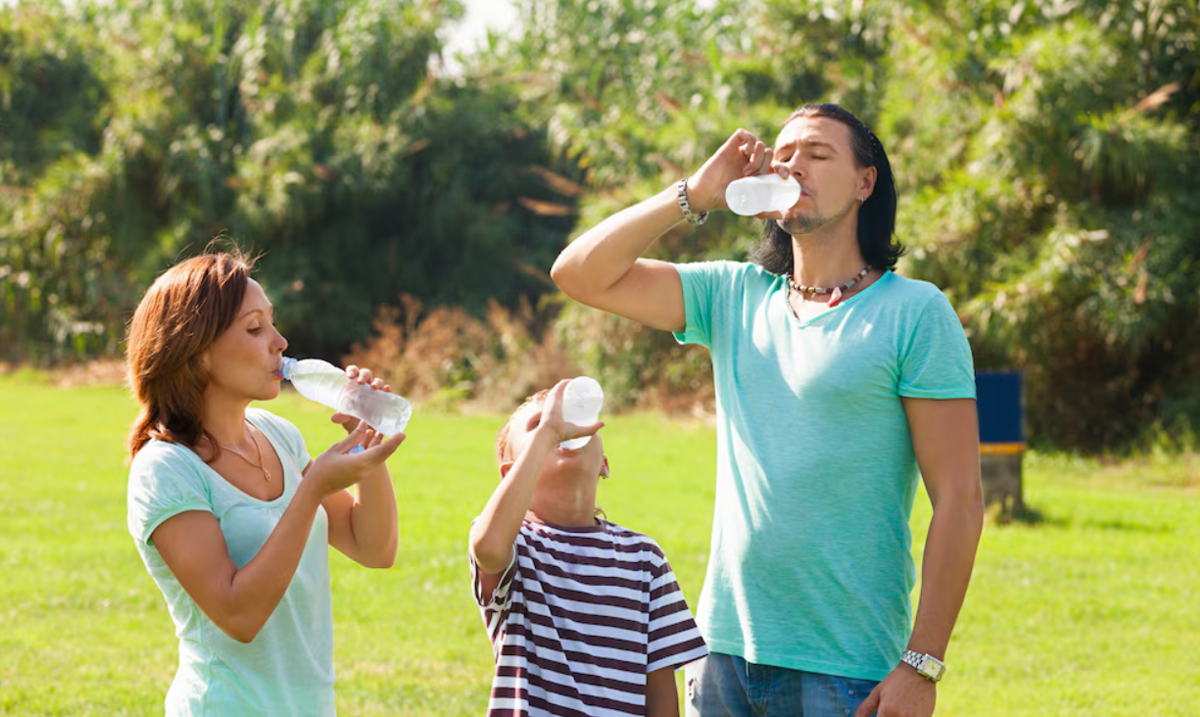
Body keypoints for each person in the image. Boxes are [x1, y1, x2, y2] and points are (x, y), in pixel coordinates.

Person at [550, 103, 985, 717]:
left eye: (817, 152)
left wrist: (923, 664)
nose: (793, 164)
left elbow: (961, 500)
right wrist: (693, 195)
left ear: (866, 182)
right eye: (783, 154)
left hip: (848, 668)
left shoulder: (915, 313)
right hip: (720, 653)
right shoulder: (731, 294)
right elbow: (578, 274)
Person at [125, 250, 407, 716]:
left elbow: (373, 548)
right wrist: (312, 489)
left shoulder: (279, 435)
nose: (279, 342)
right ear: (194, 349)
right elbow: (239, 615)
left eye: (272, 324)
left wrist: (365, 439)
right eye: (254, 328)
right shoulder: (165, 469)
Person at [469, 380, 709, 717]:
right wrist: (546, 436)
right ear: (510, 475)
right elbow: (489, 549)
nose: (560, 430)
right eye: (538, 426)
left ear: (604, 465)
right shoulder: (517, 543)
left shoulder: (644, 558)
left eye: (570, 422)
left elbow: (660, 686)